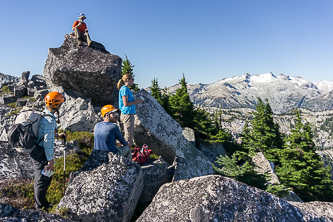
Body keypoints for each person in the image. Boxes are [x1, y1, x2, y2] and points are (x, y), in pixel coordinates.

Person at [29, 91, 66, 212]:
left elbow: (44, 134)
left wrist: (57, 136)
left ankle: (43, 202)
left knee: (44, 177)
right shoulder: (50, 121)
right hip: (41, 154)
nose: (61, 105)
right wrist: (50, 160)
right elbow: (47, 142)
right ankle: (39, 208)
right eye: (60, 103)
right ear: (57, 105)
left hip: (36, 150)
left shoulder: (44, 115)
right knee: (42, 179)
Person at [117, 74, 143, 147]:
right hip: (127, 113)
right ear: (127, 80)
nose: (133, 81)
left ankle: (127, 152)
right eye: (132, 79)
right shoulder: (124, 89)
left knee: (129, 133)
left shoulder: (126, 89)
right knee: (128, 135)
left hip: (128, 113)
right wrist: (137, 101)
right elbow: (125, 103)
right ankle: (126, 153)